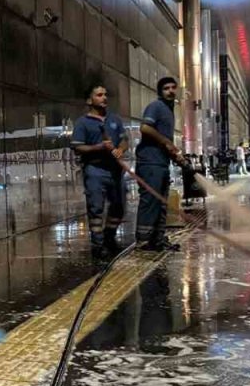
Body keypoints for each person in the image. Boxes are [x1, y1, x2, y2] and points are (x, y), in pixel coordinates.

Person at [71, 85, 129, 260]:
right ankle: (97, 245)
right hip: (95, 170)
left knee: (119, 206)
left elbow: (124, 139)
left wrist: (120, 149)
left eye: (105, 94)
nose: (104, 98)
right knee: (96, 208)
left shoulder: (114, 120)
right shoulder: (82, 123)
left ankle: (109, 237)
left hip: (115, 170)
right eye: (99, 95)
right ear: (90, 100)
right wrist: (99, 147)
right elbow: (77, 147)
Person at [135, 77, 184, 251]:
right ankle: (143, 241)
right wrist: (165, 142)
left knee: (161, 202)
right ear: (159, 92)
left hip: (161, 163)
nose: (170, 91)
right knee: (150, 201)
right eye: (166, 88)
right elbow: (145, 128)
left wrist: (173, 155)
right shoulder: (156, 107)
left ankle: (157, 239)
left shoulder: (169, 111)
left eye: (173, 88)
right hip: (150, 162)